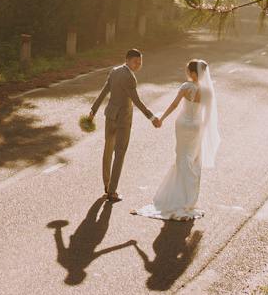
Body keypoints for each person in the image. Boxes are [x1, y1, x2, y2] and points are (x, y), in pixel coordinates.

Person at [135, 59, 220, 221]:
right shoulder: (208, 91)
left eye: (188, 70)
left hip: (182, 124)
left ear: (194, 73)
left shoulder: (186, 87)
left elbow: (174, 105)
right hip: (197, 126)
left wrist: (161, 118)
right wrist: (202, 129)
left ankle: (178, 198)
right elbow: (208, 116)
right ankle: (188, 199)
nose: (187, 72)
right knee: (192, 159)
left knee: (181, 157)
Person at [83, 48, 159, 201]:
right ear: (127, 60)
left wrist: (93, 110)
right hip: (123, 120)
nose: (138, 64)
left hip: (110, 116)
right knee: (120, 153)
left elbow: (104, 91)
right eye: (135, 61)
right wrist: (151, 117)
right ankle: (112, 191)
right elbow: (136, 100)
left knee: (107, 150)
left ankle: (106, 184)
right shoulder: (129, 78)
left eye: (140, 62)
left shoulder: (114, 71)